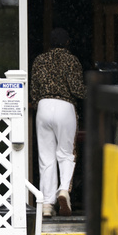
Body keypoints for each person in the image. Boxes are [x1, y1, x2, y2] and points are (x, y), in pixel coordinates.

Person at [30, 28, 85, 217]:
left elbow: (34, 92)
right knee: (66, 153)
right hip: (65, 107)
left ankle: (46, 204)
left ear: (50, 43)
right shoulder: (71, 60)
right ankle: (63, 190)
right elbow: (77, 89)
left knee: (46, 157)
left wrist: (40, 104)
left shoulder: (39, 60)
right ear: (67, 43)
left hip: (44, 107)